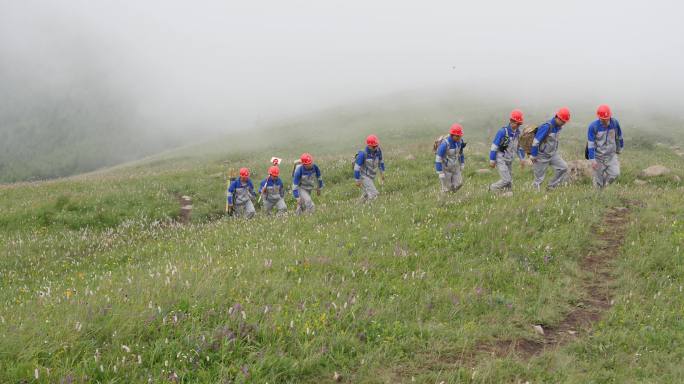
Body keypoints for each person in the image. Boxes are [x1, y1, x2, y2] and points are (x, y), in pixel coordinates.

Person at [530, 107, 571, 191]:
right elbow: (536, 141)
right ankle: (533, 195)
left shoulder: (559, 127)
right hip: (541, 156)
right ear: (557, 117)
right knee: (539, 179)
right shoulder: (546, 126)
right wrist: (533, 155)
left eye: (565, 122)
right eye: (563, 121)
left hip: (553, 154)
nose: (564, 123)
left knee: (563, 167)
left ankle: (551, 187)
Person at [489, 110, 526, 192]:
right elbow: (494, 147)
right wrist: (492, 160)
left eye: (519, 124)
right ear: (511, 121)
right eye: (517, 123)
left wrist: (522, 159)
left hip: (509, 160)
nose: (518, 125)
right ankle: (492, 188)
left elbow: (519, 148)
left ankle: (508, 195)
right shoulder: (502, 132)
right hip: (501, 158)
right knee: (506, 179)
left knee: (509, 184)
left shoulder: (518, 134)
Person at [588, 104, 623, 188]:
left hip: (611, 155)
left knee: (615, 173)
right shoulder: (593, 126)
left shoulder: (614, 123)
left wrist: (620, 148)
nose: (605, 121)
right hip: (598, 157)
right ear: (599, 117)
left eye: (606, 118)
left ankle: (605, 184)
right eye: (602, 119)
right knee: (598, 181)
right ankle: (598, 197)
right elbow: (591, 144)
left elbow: (619, 136)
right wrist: (592, 159)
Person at [435, 124, 465, 194]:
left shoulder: (460, 142)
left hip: (455, 167)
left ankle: (452, 195)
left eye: (459, 136)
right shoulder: (445, 144)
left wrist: (462, 163)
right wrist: (440, 172)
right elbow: (438, 158)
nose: (458, 137)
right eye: (457, 136)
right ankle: (445, 199)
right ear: (452, 135)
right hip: (445, 168)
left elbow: (461, 152)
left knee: (459, 184)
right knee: (447, 188)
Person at [354, 135, 385, 202]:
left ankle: (359, 206)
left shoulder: (378, 151)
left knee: (366, 193)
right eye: (374, 146)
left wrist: (382, 173)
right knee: (374, 194)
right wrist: (357, 180)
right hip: (364, 176)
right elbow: (356, 168)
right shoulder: (362, 154)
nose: (376, 147)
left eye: (377, 145)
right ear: (369, 146)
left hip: (371, 177)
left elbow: (381, 162)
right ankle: (370, 208)